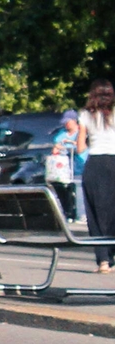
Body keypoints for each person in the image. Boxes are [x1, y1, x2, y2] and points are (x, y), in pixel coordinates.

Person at [80, 78, 115, 267]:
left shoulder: (86, 115)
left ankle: (103, 260)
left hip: (95, 164)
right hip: (113, 161)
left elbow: (80, 147)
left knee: (95, 213)